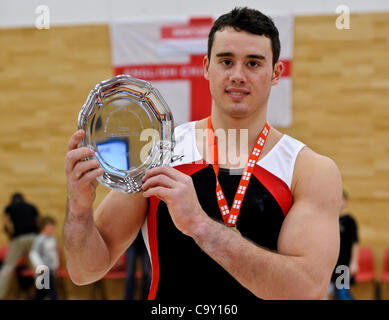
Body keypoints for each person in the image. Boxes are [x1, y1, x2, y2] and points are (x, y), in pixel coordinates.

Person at [63, 7, 342, 300]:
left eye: (253, 63)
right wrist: (80, 212)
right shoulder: (160, 152)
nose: (237, 75)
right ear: (207, 67)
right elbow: (85, 271)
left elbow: (305, 289)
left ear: (276, 73)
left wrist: (201, 226)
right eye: (226, 61)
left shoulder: (309, 169)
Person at [0, 192, 39, 299]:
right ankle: (44, 294)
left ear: (12, 199)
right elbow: (38, 221)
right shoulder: (31, 206)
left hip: (18, 238)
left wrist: (10, 235)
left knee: (8, 267)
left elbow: (6, 223)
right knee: (38, 267)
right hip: (34, 237)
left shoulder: (9, 207)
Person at [329, 190, 359, 300]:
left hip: (344, 265)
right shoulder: (330, 219)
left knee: (341, 291)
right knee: (335, 293)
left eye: (341, 199)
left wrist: (354, 262)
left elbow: (355, 243)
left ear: (346, 202)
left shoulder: (349, 221)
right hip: (331, 264)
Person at [29, 216, 59, 300]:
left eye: (52, 226)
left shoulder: (53, 239)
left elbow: (54, 254)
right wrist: (40, 266)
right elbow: (33, 253)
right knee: (51, 289)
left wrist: (56, 265)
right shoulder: (39, 239)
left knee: (41, 290)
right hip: (43, 269)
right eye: (48, 226)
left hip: (51, 268)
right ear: (43, 227)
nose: (51, 228)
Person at [124, 232, 151, 300]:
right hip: (131, 241)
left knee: (146, 274)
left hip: (146, 240)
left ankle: (147, 298)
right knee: (130, 274)